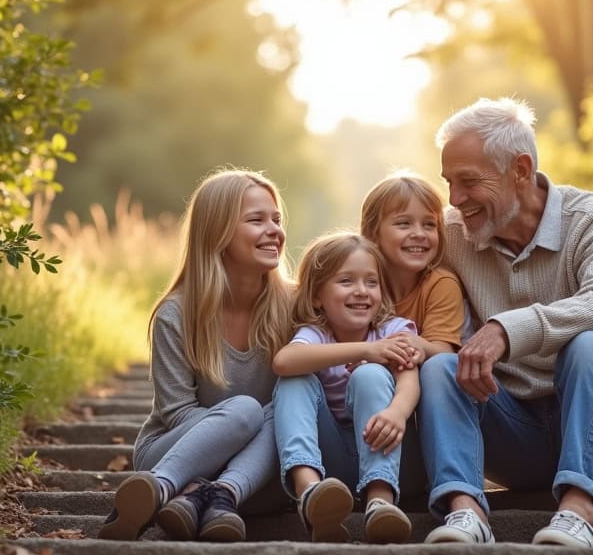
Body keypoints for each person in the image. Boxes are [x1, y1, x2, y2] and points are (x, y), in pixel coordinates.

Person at [417, 97, 593, 547]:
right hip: (518, 440)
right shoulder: (453, 233)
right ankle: (465, 512)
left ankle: (578, 512)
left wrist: (505, 329)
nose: (455, 199)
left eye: (467, 182)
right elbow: (383, 274)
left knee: (589, 343)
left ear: (520, 170)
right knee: (439, 366)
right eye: (449, 184)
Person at [99, 168, 293, 542]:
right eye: (256, 220)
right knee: (247, 410)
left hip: (253, 475)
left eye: (276, 219)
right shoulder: (176, 314)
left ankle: (195, 499)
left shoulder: (296, 305)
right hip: (174, 454)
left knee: (283, 411)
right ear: (217, 233)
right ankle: (158, 489)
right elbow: (176, 414)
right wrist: (240, 424)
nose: (274, 230)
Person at [272, 232, 424, 544]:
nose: (361, 292)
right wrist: (365, 351)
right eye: (346, 281)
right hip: (334, 469)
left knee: (369, 376)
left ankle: (380, 501)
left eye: (371, 282)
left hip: (393, 456)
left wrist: (398, 412)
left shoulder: (393, 331)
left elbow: (410, 382)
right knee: (295, 380)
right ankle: (310, 494)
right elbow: (284, 362)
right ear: (317, 296)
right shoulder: (316, 335)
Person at [359, 171, 464, 359]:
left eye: (429, 225)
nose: (419, 234)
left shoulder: (441, 284)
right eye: (404, 224)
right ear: (372, 234)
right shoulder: (359, 287)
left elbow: (444, 353)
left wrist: (417, 343)